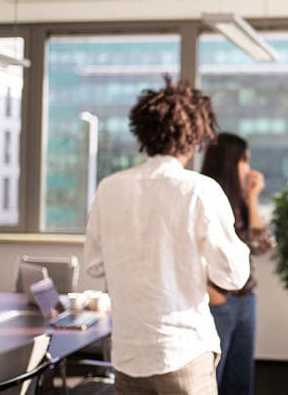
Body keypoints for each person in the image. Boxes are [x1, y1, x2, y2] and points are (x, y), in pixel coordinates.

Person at [84, 76, 251, 395]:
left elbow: (94, 265)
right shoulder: (200, 190)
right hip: (183, 352)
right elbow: (233, 276)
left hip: (128, 354)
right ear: (195, 136)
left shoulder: (109, 188)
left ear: (142, 132)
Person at [200, 132, 276, 395]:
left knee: (240, 380)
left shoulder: (240, 199)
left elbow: (262, 244)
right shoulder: (204, 197)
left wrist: (252, 198)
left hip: (245, 298)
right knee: (212, 380)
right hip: (218, 301)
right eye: (245, 161)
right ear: (229, 162)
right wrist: (212, 294)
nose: (249, 168)